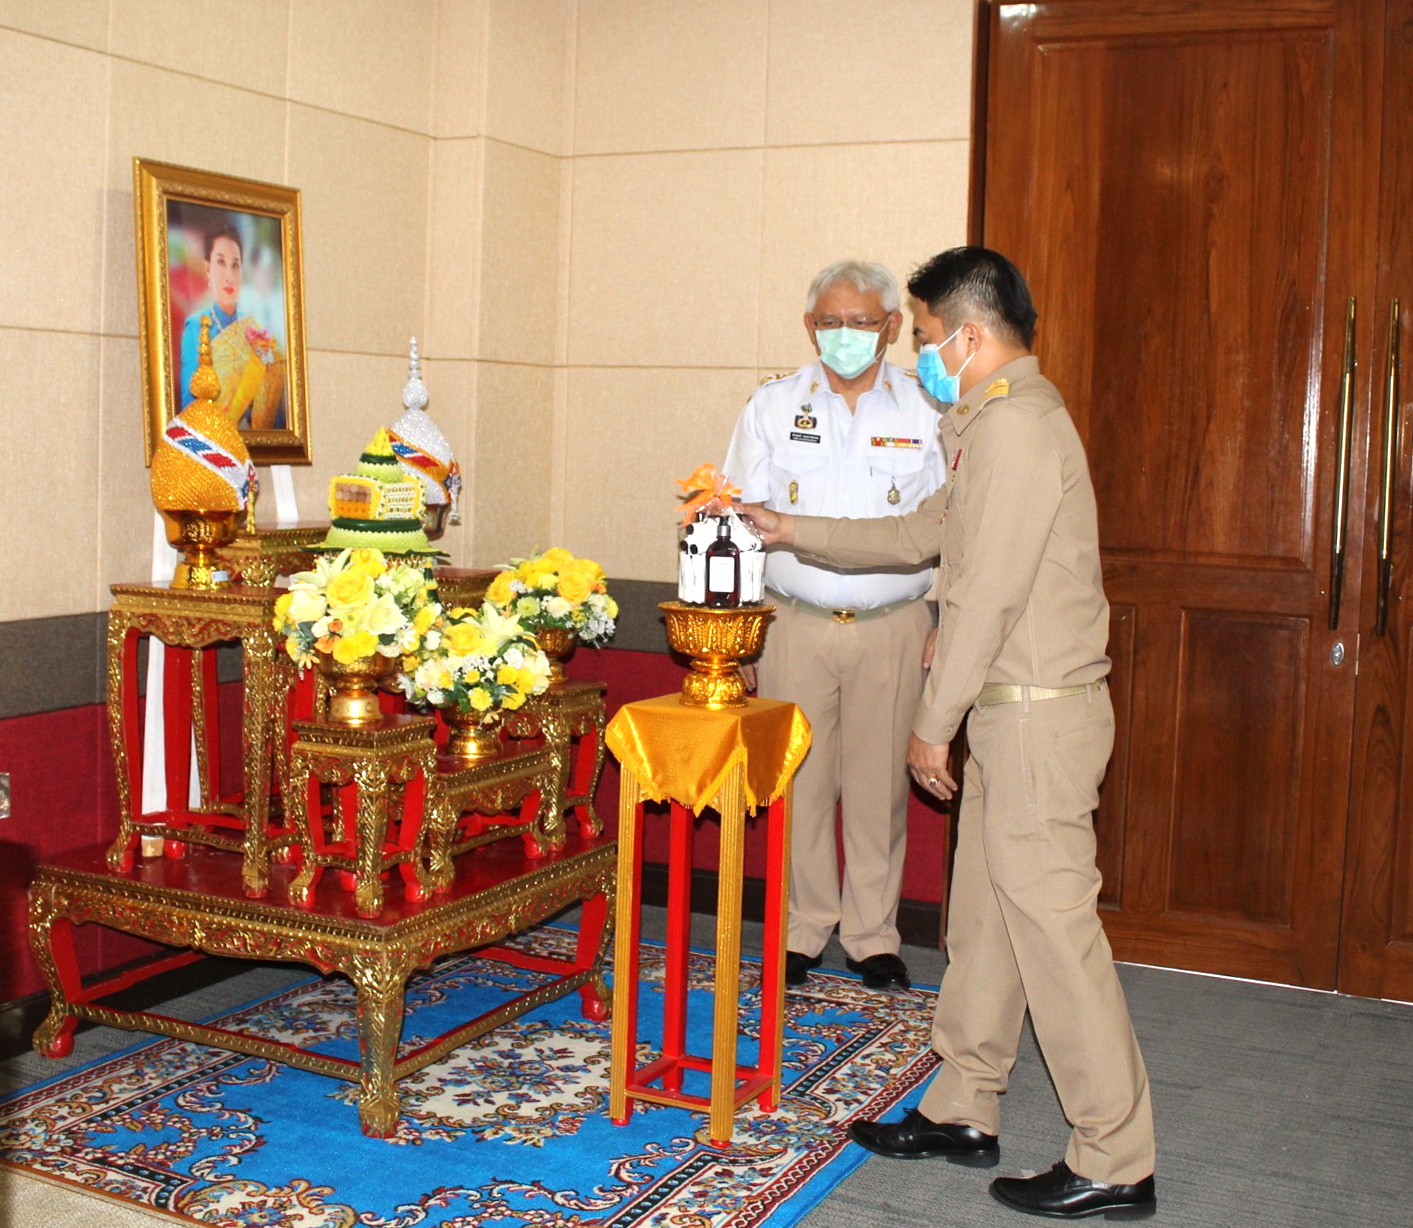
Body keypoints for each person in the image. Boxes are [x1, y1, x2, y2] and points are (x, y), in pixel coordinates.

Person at [740, 247, 1156, 1219]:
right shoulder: (987, 427)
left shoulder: (1016, 431)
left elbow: (985, 603)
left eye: (925, 338)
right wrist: (791, 529)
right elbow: (917, 533)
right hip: (1013, 719)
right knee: (986, 925)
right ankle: (964, 1104)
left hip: (1036, 717)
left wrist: (932, 728)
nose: (920, 355)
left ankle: (1116, 1151)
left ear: (968, 336)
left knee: (1055, 934)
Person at [722, 259, 945, 991]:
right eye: (828, 322)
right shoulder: (771, 405)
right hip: (795, 622)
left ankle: (872, 934)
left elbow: (958, 526)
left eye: (859, 323)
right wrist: (739, 631)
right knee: (800, 784)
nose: (842, 336)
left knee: (879, 785)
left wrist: (947, 619)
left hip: (893, 623)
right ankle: (802, 928)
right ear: (808, 326)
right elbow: (735, 518)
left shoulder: (927, 409)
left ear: (889, 328)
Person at [178, 221, 284, 428]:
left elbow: (272, 407)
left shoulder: (255, 330)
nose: (229, 276)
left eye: (235, 265)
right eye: (221, 263)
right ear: (208, 269)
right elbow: (190, 407)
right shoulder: (196, 328)